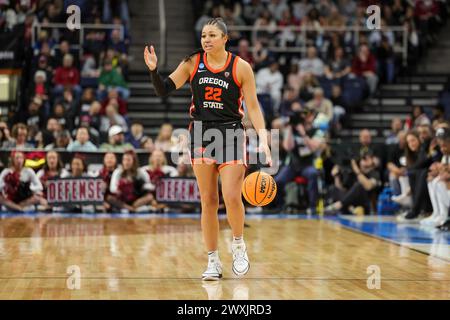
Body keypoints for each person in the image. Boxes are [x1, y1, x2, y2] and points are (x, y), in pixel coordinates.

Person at [144, 18, 272, 280]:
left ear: (225, 38)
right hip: (201, 133)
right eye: (204, 35)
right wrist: (153, 70)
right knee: (208, 201)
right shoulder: (192, 62)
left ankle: (238, 246)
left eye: (212, 35)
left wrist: (264, 139)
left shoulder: (241, 67)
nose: (206, 39)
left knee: (233, 196)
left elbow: (253, 107)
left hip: (231, 133)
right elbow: (163, 90)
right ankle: (213, 260)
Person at [422, 127, 450, 227]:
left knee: (439, 181)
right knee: (432, 180)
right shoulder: (444, 156)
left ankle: (444, 215)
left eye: (445, 146)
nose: (443, 149)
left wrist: (443, 171)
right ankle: (438, 213)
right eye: (441, 146)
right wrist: (437, 171)